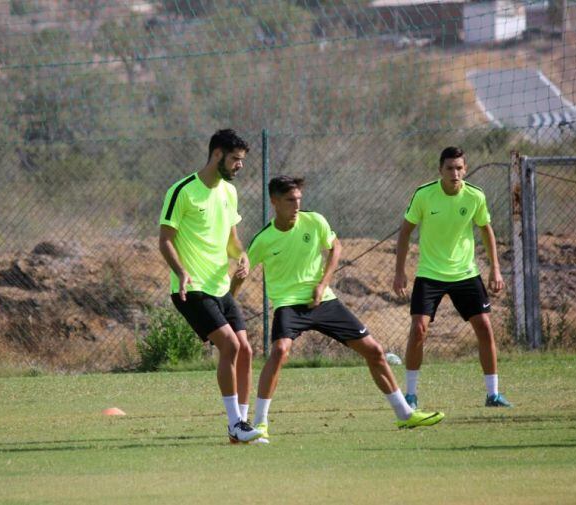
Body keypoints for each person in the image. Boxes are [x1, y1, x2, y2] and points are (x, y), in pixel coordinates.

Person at [231, 176, 444, 442]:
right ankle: (260, 424)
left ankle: (404, 414)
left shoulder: (315, 221)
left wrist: (322, 285)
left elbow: (335, 247)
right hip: (288, 305)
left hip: (324, 301)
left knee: (375, 351)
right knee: (280, 351)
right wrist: (230, 302)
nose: (296, 205)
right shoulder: (264, 238)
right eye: (289, 200)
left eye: (299, 199)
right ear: (274, 202)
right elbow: (243, 271)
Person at [158, 129, 261, 444]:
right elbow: (165, 241)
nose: (239, 166)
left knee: (245, 350)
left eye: (241, 161)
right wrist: (181, 271)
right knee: (229, 346)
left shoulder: (228, 192)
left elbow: (231, 240)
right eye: (235, 159)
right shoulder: (182, 191)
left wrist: (240, 255)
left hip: (220, 287)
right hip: (191, 289)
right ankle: (234, 425)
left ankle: (241, 424)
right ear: (217, 154)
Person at [392, 146, 510, 409]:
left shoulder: (475, 196)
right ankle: (410, 395)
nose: (455, 173)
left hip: (466, 273)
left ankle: (493, 394)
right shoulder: (424, 195)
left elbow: (486, 231)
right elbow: (405, 232)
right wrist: (400, 271)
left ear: (465, 169)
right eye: (449, 168)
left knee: (484, 327)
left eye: (459, 168)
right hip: (430, 273)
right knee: (418, 328)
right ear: (440, 170)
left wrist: (495, 268)